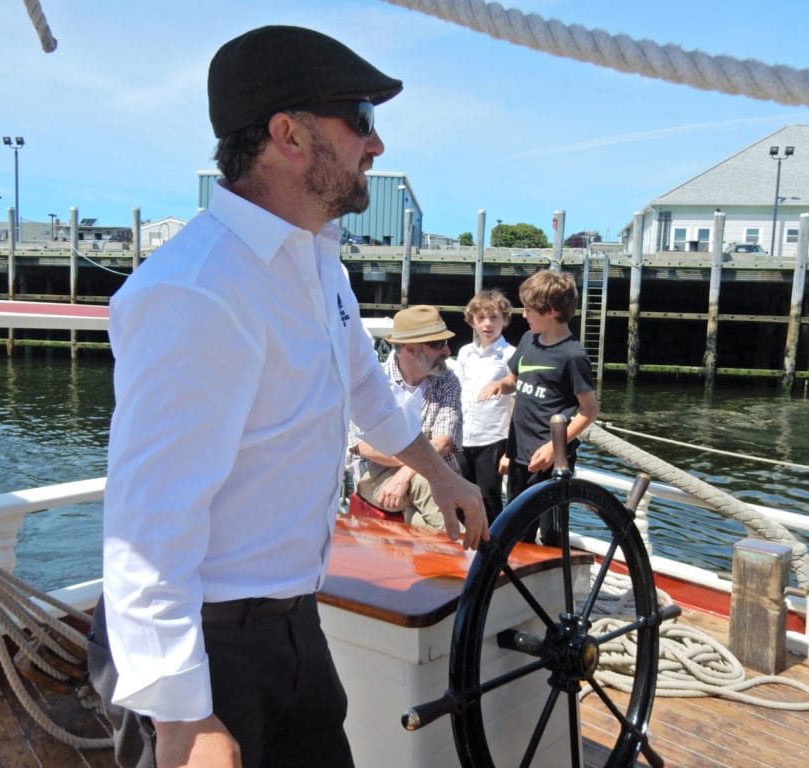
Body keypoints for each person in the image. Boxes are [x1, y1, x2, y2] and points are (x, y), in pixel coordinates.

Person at [87, 25, 488, 768]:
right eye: (362, 118)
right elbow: (149, 521)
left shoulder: (316, 261)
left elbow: (365, 387)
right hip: (207, 644)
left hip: (295, 621)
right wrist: (185, 717)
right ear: (287, 134)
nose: (378, 144)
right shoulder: (195, 290)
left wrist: (441, 473)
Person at [479, 270, 598, 543]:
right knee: (518, 529)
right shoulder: (527, 340)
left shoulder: (574, 355)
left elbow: (589, 410)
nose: (524, 315)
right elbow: (514, 380)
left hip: (551, 459)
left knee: (553, 532)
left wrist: (553, 448)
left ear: (552, 311)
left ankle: (553, 583)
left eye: (530, 309)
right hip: (520, 455)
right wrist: (500, 385)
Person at [350, 305, 462, 531]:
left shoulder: (448, 381)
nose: (447, 351)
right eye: (438, 344)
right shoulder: (374, 381)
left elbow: (443, 441)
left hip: (425, 477)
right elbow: (363, 447)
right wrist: (420, 464)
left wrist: (405, 473)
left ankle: (461, 550)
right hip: (379, 476)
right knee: (426, 483)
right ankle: (473, 557)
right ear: (410, 350)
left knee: (420, 516)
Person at [455, 289, 515, 524]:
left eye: (494, 318)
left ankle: (494, 552)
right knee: (461, 496)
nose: (487, 324)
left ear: (505, 320)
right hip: (463, 437)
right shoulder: (465, 353)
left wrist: (510, 450)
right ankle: (468, 550)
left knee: (489, 497)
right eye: (481, 318)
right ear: (472, 321)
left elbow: (516, 401)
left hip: (492, 438)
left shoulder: (511, 354)